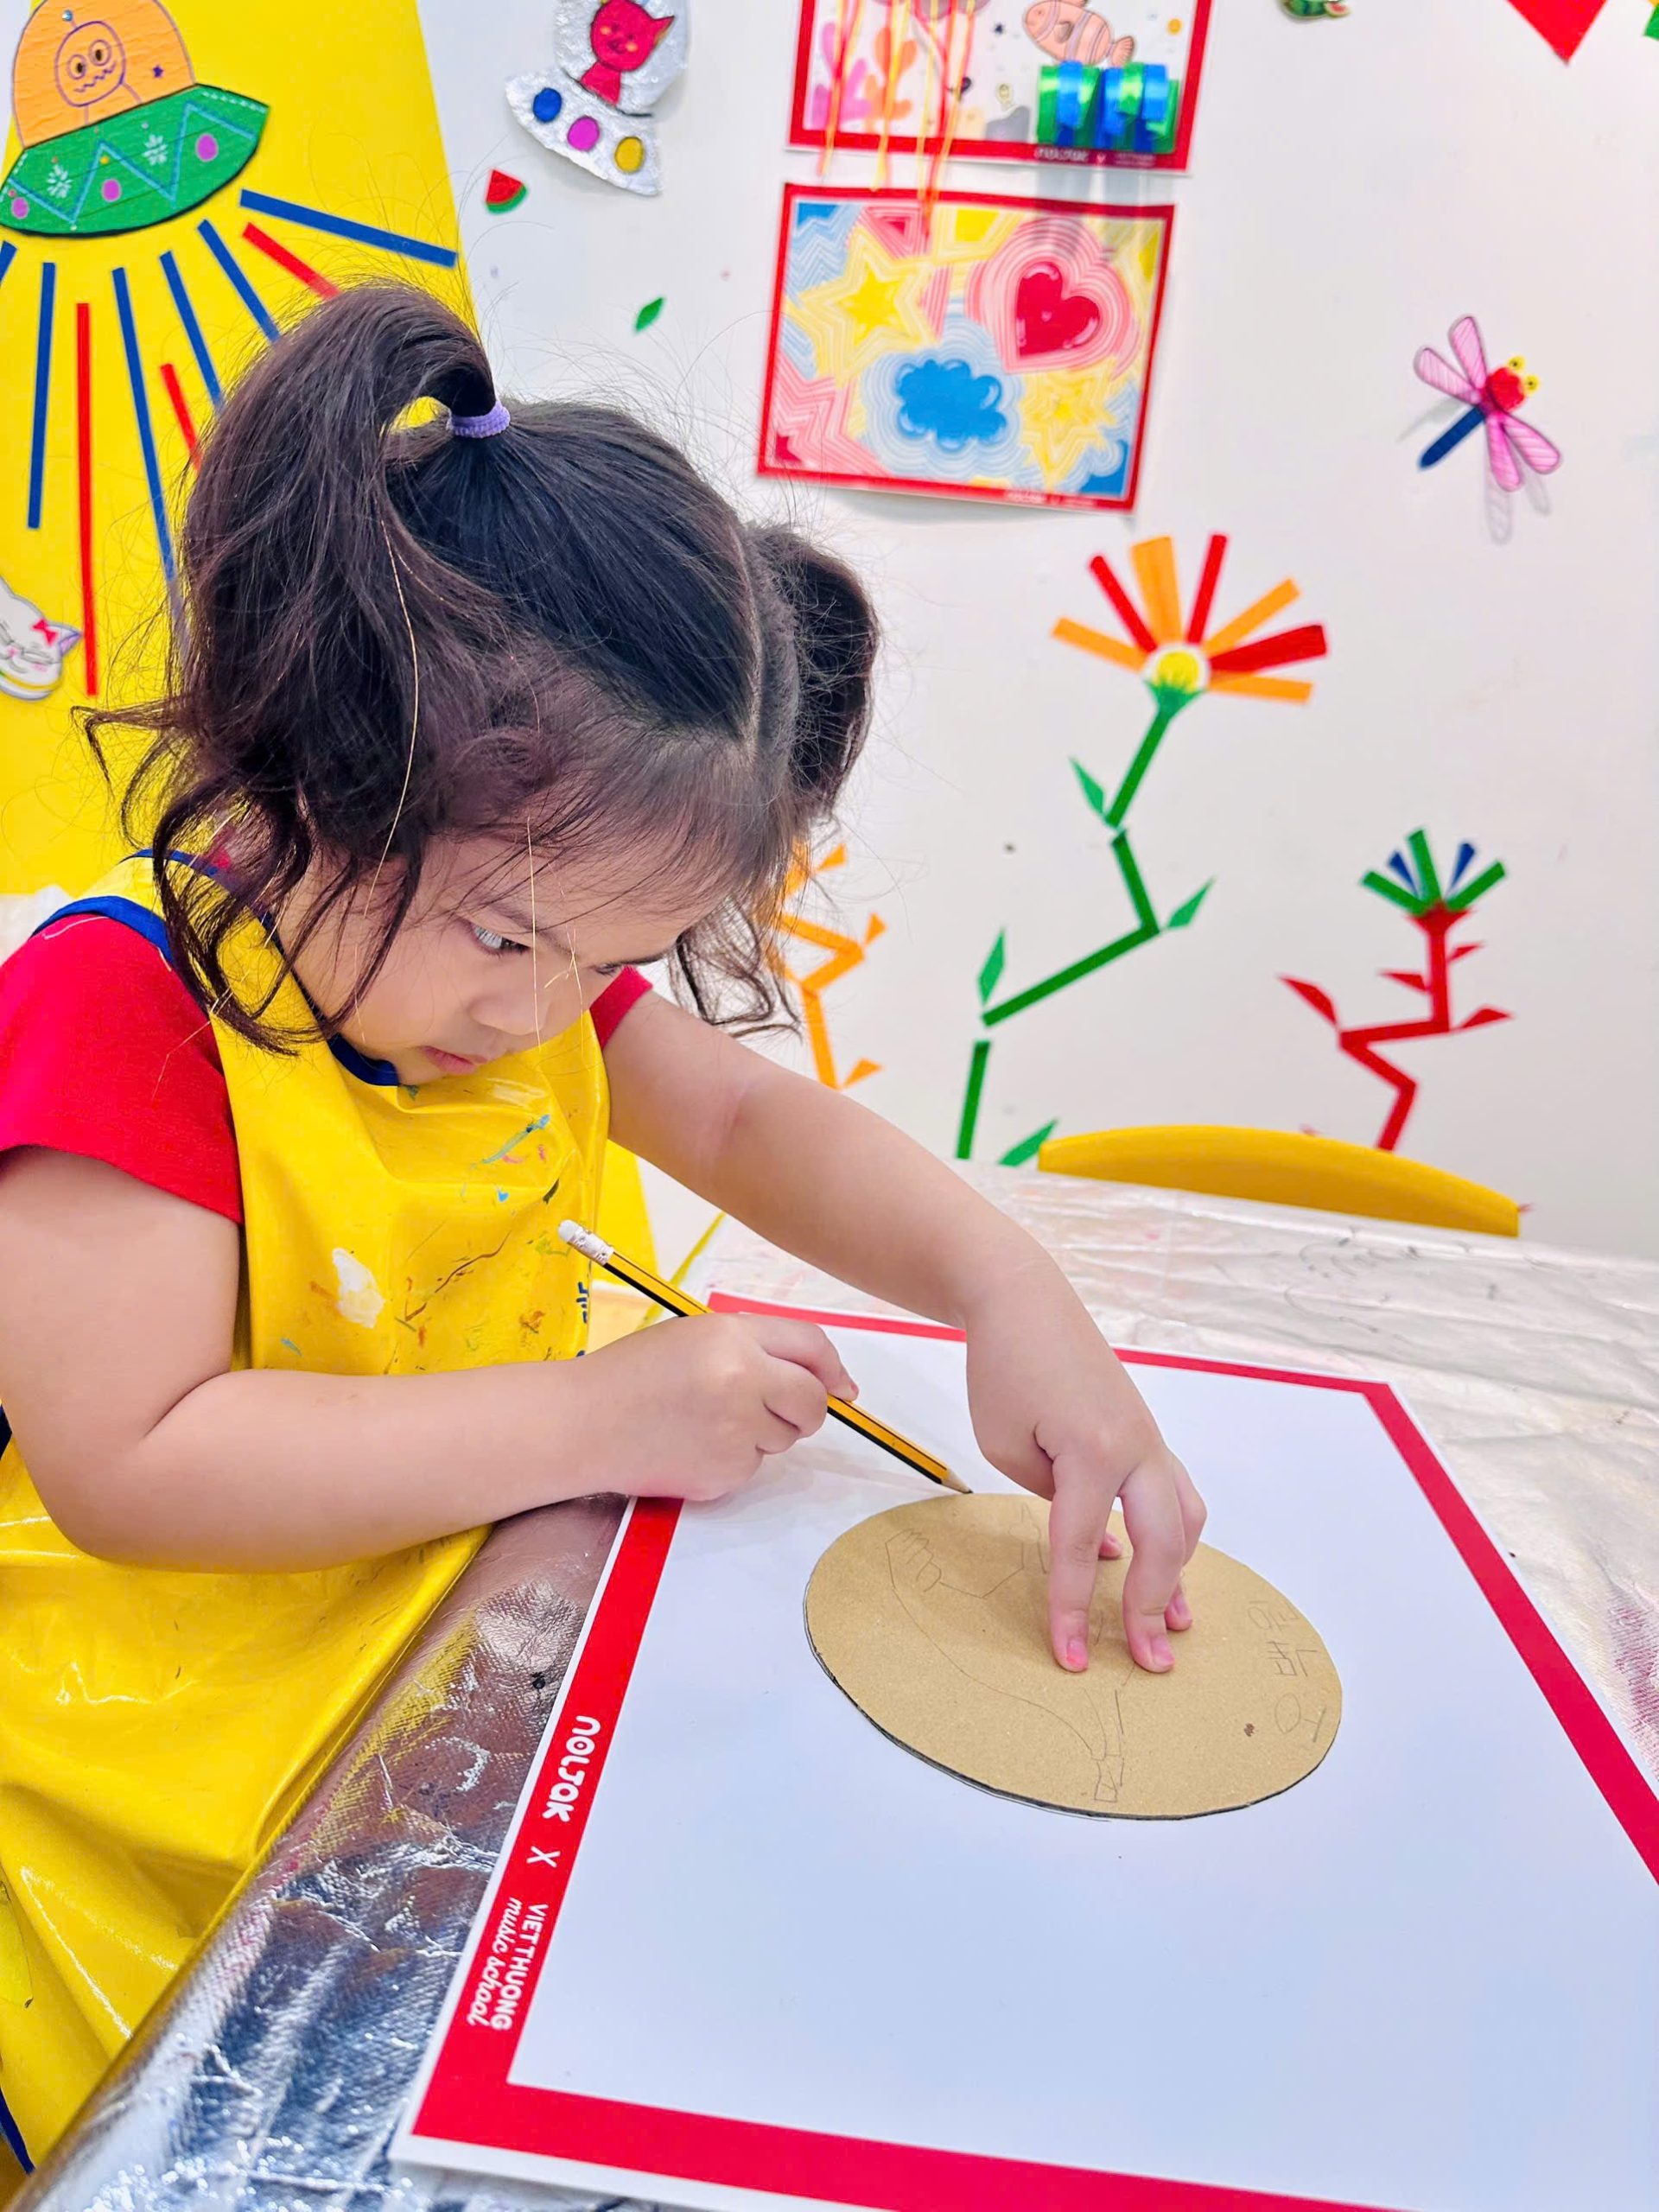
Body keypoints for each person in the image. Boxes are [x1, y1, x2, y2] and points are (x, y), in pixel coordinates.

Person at [0, 283, 1205, 2162]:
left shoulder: (516, 976)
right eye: (508, 938)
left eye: (614, 958)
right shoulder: (128, 1006)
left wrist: (1005, 1286)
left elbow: (738, 1110)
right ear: (312, 764)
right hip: (154, 1754)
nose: (546, 1012)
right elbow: (134, 1464)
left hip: (431, 1648)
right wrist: (604, 1415)